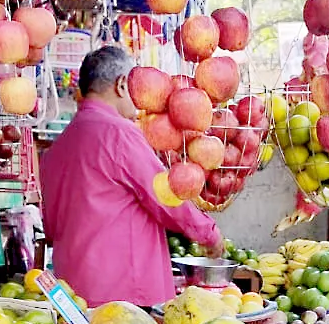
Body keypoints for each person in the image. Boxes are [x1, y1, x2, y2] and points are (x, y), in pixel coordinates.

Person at [40, 45, 222, 308]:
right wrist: (208, 233)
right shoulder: (119, 134)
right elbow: (165, 196)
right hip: (124, 294)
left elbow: (50, 228)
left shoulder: (57, 147)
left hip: (72, 295)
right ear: (122, 85)